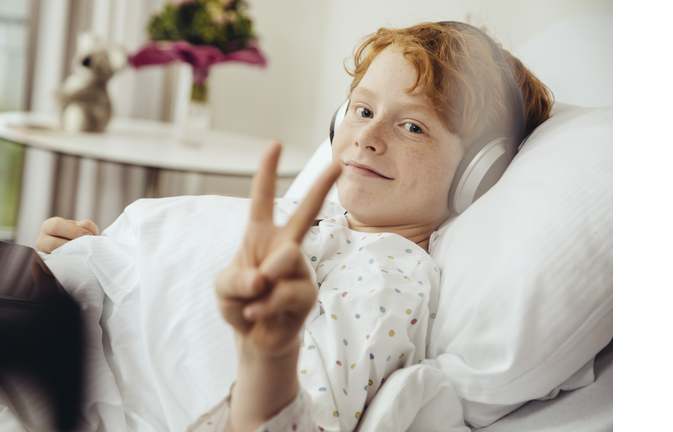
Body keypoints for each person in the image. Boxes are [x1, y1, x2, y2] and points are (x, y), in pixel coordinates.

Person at [37, 22, 553, 432]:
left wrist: (271, 353)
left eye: (412, 125)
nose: (366, 137)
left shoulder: (392, 270)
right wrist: (92, 256)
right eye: (363, 109)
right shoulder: (310, 223)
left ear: (476, 175)